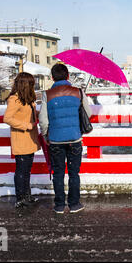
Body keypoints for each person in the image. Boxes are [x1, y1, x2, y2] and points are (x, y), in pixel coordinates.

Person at [39, 63, 92, 214]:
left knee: (58, 173)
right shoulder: (79, 92)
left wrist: (46, 135)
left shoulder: (47, 94)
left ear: (52, 77)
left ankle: (59, 205)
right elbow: (87, 113)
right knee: (74, 173)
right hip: (75, 139)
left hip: (55, 140)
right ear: (68, 76)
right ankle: (74, 204)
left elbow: (43, 119)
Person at [3, 72, 41, 208]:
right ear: (25, 84)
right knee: (21, 170)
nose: (33, 85)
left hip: (30, 139)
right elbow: (7, 118)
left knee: (27, 170)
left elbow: (29, 113)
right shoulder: (14, 99)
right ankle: (20, 197)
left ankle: (27, 195)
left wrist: (39, 113)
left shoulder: (28, 98)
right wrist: (26, 125)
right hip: (21, 138)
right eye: (31, 83)